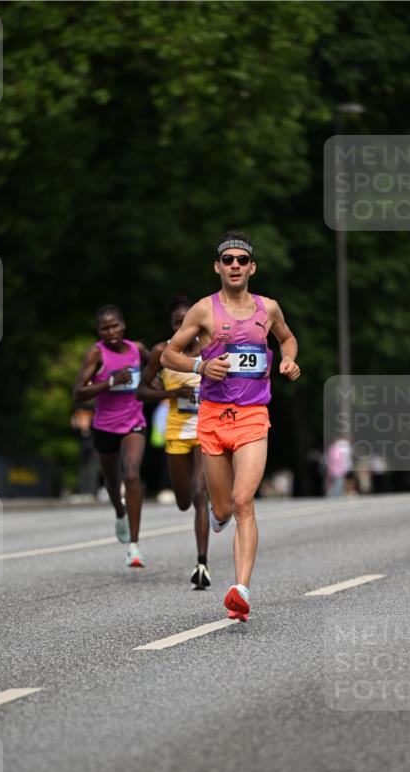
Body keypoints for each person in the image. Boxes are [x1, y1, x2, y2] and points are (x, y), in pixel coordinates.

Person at [161, 232, 300, 620]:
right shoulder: (204, 311)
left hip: (253, 415)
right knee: (221, 506)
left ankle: (240, 590)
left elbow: (288, 340)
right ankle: (218, 517)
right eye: (228, 260)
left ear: (252, 267)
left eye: (242, 260)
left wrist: (287, 360)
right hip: (212, 417)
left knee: (243, 501)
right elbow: (169, 354)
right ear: (218, 267)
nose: (235, 265)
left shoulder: (267, 308)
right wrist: (200, 366)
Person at [136, 294, 211, 590]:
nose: (183, 327)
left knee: (200, 493)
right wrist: (172, 394)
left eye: (186, 321)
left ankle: (202, 563)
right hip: (177, 431)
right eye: (176, 323)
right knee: (184, 501)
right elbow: (142, 391)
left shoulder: (211, 348)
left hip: (206, 430)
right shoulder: (162, 352)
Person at [74, 305, 150, 567]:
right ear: (99, 331)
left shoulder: (137, 349)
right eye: (105, 328)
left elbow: (157, 365)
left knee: (131, 475)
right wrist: (110, 382)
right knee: (111, 480)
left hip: (134, 423)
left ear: (123, 325)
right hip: (105, 425)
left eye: (114, 325)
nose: (111, 332)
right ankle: (119, 510)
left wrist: (156, 385)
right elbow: (78, 392)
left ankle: (134, 546)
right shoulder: (97, 353)